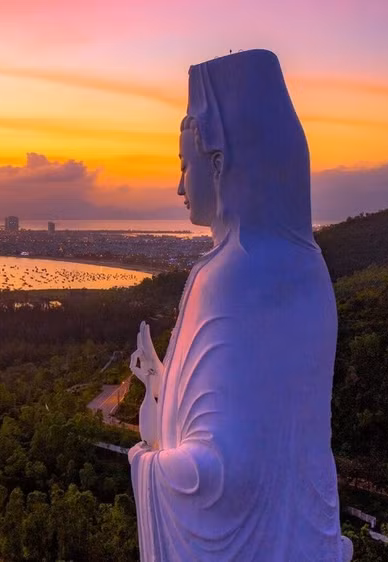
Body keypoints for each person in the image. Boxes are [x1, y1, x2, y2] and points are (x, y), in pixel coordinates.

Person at [128, 49, 352, 561]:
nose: (180, 185)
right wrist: (163, 384)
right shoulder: (307, 268)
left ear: (220, 163)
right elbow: (266, 426)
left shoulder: (229, 276)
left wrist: (148, 465)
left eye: (186, 166)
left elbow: (226, 476)